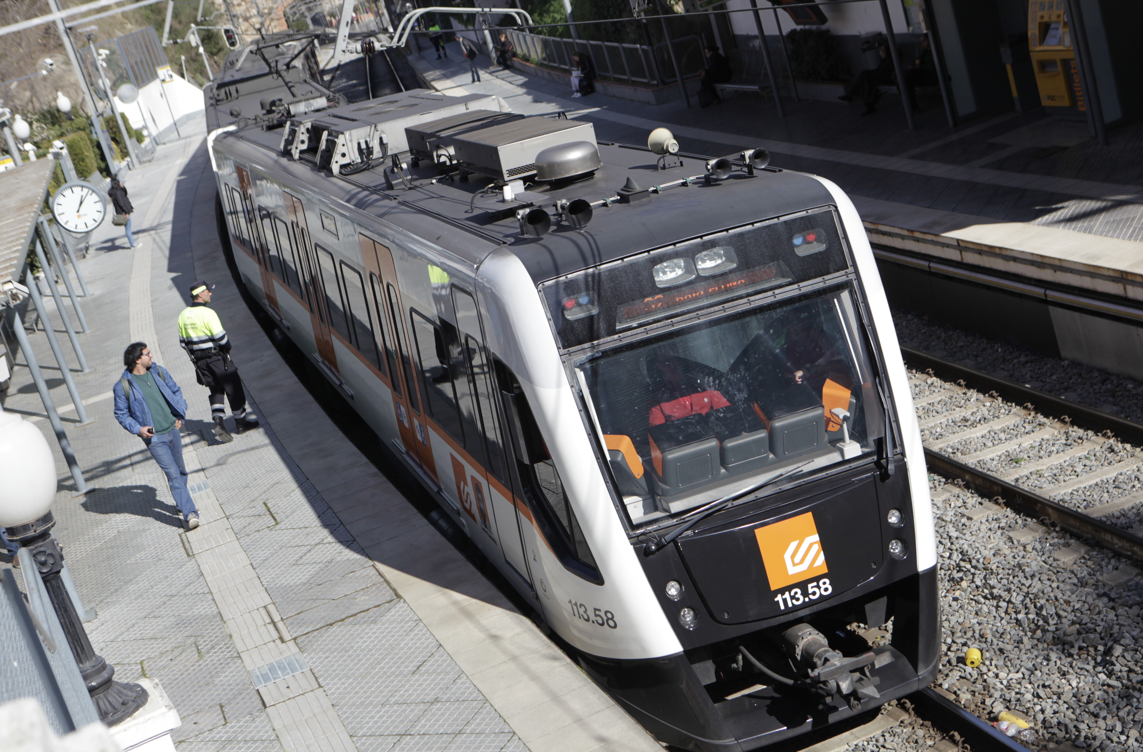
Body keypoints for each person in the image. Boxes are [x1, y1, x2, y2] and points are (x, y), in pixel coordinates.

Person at [113, 343, 200, 531]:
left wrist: (180, 414)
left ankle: (180, 503)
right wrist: (138, 429)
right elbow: (121, 414)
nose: (151, 355)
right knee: (173, 474)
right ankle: (190, 512)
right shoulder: (123, 386)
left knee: (181, 470)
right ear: (137, 359)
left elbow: (176, 391)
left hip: (172, 429)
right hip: (155, 439)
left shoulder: (158, 371)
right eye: (147, 353)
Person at [177, 281, 258, 442]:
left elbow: (182, 343)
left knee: (216, 390)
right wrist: (227, 348)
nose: (210, 293)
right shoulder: (208, 313)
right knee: (233, 388)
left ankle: (218, 421)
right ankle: (241, 423)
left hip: (200, 362)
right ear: (200, 294)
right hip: (217, 359)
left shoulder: (183, 315)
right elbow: (221, 338)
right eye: (208, 291)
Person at [647, 346, 730, 426]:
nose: (672, 365)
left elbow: (728, 418)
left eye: (675, 359)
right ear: (659, 366)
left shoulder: (705, 384)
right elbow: (659, 436)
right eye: (667, 362)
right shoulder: (657, 399)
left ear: (681, 361)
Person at [839, 40, 895, 116]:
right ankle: (854, 97)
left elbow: (891, 68)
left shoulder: (894, 52)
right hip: (881, 73)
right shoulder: (886, 52)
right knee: (866, 78)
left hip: (889, 76)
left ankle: (852, 95)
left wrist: (885, 56)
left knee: (867, 77)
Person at [903, 35, 937, 110]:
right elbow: (917, 60)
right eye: (921, 41)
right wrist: (917, 62)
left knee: (907, 78)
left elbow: (931, 67)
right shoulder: (925, 51)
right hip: (923, 73)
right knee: (905, 79)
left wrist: (918, 67)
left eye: (924, 40)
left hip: (929, 75)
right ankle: (911, 105)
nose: (922, 43)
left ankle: (911, 106)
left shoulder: (934, 51)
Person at [107, 177, 136, 249]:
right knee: (128, 229)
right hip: (124, 212)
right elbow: (121, 203)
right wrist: (126, 212)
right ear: (118, 183)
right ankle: (133, 244)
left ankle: (133, 243)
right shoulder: (118, 192)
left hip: (122, 212)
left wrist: (123, 187)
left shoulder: (115, 191)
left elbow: (125, 193)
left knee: (127, 228)